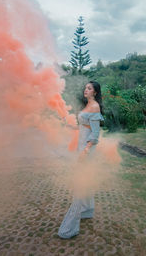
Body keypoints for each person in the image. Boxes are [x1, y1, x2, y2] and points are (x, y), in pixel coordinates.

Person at [58, 81, 104, 239]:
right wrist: (71, 127)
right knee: (85, 181)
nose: (86, 90)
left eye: (89, 88)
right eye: (85, 87)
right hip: (81, 148)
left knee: (80, 183)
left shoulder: (95, 107)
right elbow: (85, 127)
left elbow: (95, 134)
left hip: (86, 150)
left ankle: (70, 227)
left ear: (95, 92)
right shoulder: (87, 106)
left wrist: (85, 151)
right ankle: (87, 210)